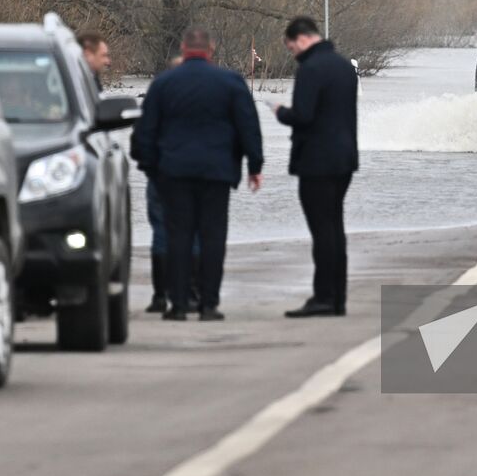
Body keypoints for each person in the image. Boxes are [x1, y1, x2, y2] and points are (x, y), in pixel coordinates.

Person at [133, 28, 263, 322]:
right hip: (217, 173)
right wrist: (254, 167)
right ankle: (208, 304)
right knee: (212, 238)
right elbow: (248, 127)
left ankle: (177, 305)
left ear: (183, 48)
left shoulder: (163, 83)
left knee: (178, 237)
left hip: (174, 172)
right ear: (211, 50)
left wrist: (152, 168)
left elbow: (146, 132)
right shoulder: (230, 82)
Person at [273, 17, 359, 318]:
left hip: (316, 161)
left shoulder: (310, 69)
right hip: (344, 159)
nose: (293, 52)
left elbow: (304, 115)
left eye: (291, 46)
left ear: (300, 39)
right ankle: (338, 298)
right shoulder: (345, 67)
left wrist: (281, 112)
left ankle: (323, 297)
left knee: (322, 230)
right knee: (335, 228)